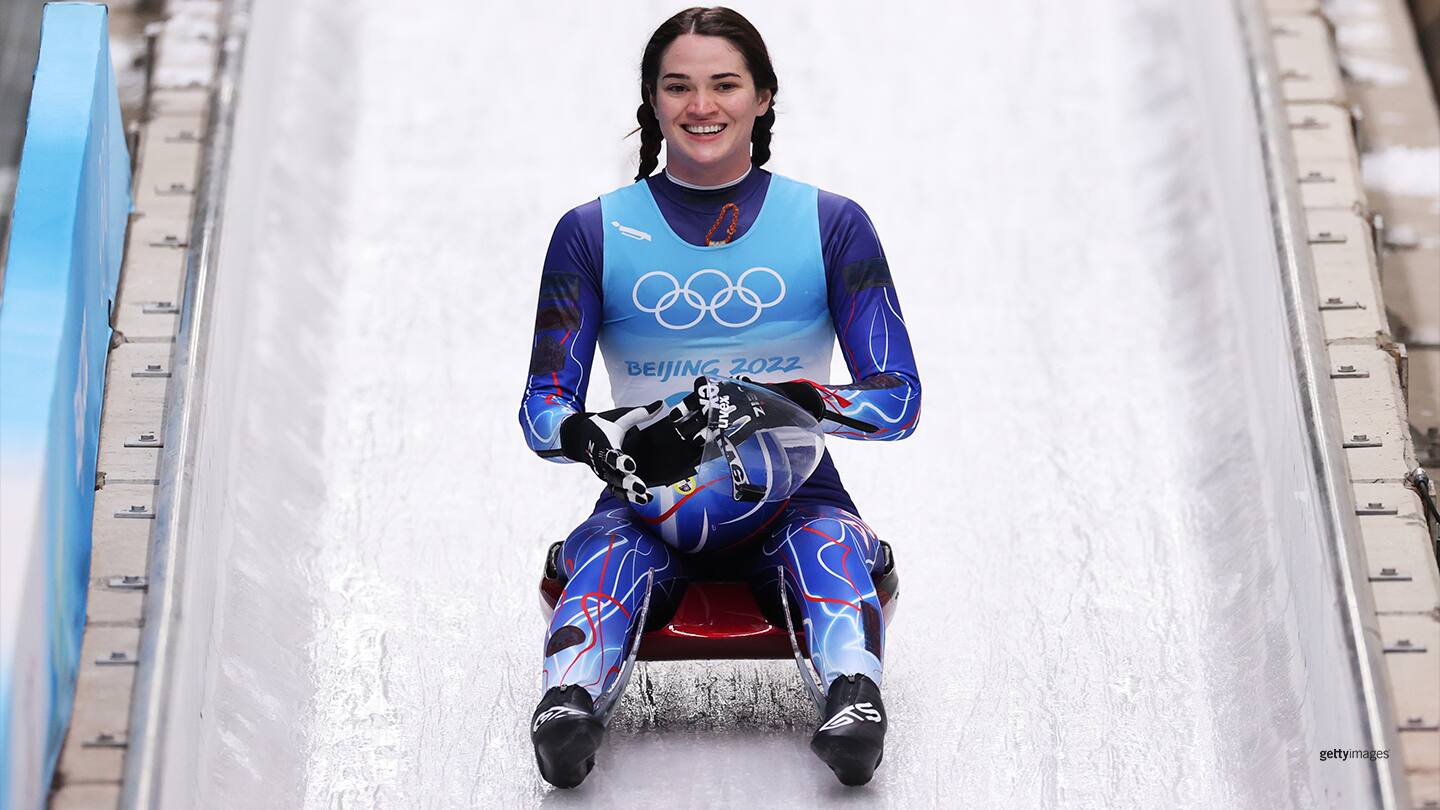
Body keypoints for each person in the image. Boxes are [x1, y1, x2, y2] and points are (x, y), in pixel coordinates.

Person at [518, 6, 922, 789]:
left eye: (724, 85)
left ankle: (854, 704)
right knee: (605, 558)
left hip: (797, 491)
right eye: (679, 87)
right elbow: (542, 401)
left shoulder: (833, 225)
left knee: (832, 548)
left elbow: (897, 398)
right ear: (654, 100)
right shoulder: (590, 232)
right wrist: (590, 438)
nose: (702, 106)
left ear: (763, 97)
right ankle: (566, 710)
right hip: (647, 493)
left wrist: (786, 399)